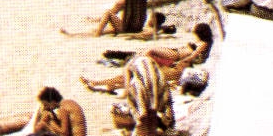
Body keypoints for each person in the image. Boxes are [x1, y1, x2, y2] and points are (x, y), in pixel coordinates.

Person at [83, 23, 215, 92]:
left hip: (172, 64)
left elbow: (191, 57)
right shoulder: (181, 68)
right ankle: (103, 83)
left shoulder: (202, 45)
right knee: (135, 75)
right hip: (170, 64)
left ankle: (101, 83)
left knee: (136, 76)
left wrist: (175, 64)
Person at [110, 55, 175, 136]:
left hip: (141, 85)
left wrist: (125, 96)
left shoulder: (128, 66)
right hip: (158, 83)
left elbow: (127, 88)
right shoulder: (146, 60)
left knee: (141, 117)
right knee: (152, 112)